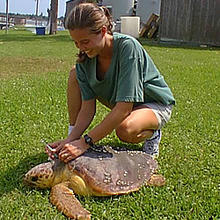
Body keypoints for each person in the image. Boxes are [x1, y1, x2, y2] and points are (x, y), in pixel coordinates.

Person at [46, 3, 175, 162]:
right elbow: (87, 109)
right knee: (74, 73)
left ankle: (153, 133)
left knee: (125, 129)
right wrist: (71, 140)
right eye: (76, 43)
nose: (81, 48)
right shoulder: (84, 62)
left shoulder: (127, 47)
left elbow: (123, 109)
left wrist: (86, 142)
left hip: (154, 104)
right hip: (125, 105)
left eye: (85, 41)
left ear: (103, 31)